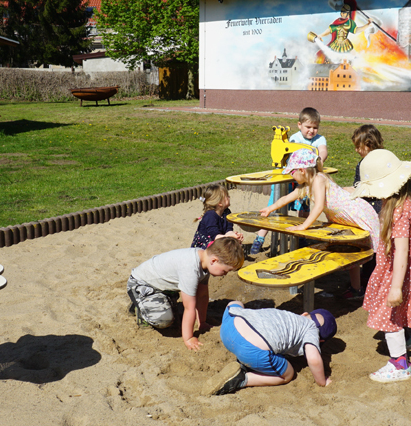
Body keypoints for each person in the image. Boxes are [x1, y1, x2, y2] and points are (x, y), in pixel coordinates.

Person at [353, 149, 411, 383]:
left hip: (398, 270)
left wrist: (395, 287)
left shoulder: (399, 210)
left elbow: (401, 250)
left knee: (388, 313)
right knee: (398, 310)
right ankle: (407, 339)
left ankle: (400, 364)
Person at [261, 147, 379, 298]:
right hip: (346, 220)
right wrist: (269, 209)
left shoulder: (319, 179)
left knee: (376, 254)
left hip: (359, 216)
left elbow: (318, 207)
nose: (291, 175)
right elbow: (286, 198)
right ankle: (357, 289)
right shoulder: (306, 185)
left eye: (292, 172)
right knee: (351, 250)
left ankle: (378, 290)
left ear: (302, 170)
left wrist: (303, 226)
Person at [127, 237, 244, 351]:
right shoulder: (190, 269)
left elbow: (202, 296)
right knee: (164, 320)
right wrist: (188, 338)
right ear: (214, 260)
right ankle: (141, 310)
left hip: (162, 287)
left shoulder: (204, 261)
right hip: (141, 285)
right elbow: (189, 307)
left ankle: (151, 302)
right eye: (225, 271)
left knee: (176, 317)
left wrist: (202, 322)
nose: (225, 275)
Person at [204, 300, 336, 395]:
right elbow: (313, 359)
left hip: (229, 324)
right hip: (249, 349)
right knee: (288, 374)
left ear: (305, 314)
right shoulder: (311, 330)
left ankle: (248, 362)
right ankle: (242, 379)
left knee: (236, 303)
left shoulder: (290, 316)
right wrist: (322, 381)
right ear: (320, 340)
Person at [249, 107, 328, 255]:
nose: (311, 131)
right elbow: (286, 153)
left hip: (305, 179)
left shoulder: (320, 140)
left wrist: (319, 160)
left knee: (304, 208)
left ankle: (301, 236)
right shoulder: (294, 139)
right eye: (308, 127)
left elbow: (323, 150)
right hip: (291, 177)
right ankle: (260, 237)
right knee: (275, 205)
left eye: (315, 127)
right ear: (299, 125)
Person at [191, 183, 243, 249]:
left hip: (218, 241)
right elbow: (215, 236)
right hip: (205, 248)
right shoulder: (210, 215)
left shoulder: (227, 212)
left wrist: (234, 236)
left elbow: (228, 229)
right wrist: (229, 237)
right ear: (220, 203)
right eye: (227, 196)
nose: (229, 197)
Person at [350, 124, 384, 215]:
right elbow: (357, 184)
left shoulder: (383, 160)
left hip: (377, 205)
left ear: (369, 144)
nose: (356, 150)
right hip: (366, 203)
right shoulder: (361, 163)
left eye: (358, 147)